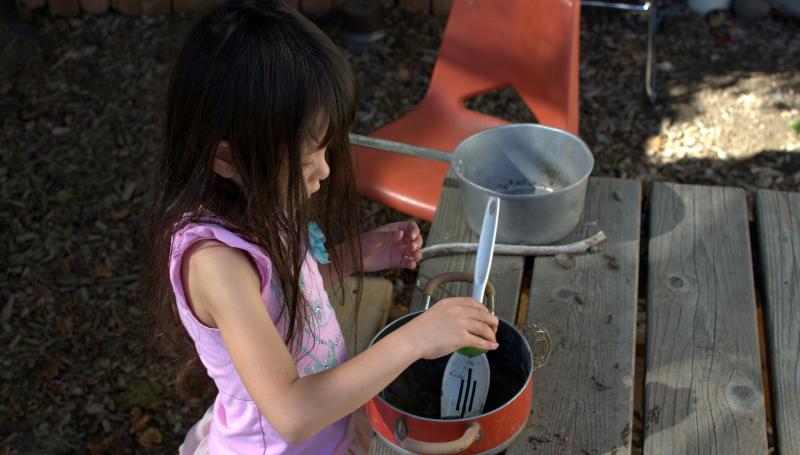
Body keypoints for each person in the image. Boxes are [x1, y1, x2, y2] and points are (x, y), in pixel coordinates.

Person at [142, 1, 500, 453]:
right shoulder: (217, 264)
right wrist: (417, 337)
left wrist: (354, 255)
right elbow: (292, 414)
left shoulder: (261, 196)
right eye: (310, 155)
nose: (326, 171)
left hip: (330, 426)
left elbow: (288, 297)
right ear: (229, 158)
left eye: (326, 149)